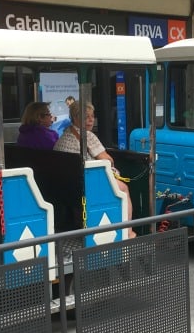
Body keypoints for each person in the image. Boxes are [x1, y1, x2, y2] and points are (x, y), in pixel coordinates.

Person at [54, 100, 136, 237]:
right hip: (86, 185)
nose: (91, 120)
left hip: (66, 187)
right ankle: (128, 231)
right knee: (123, 188)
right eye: (86, 117)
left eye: (92, 116)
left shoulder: (64, 135)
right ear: (75, 118)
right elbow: (108, 160)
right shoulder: (88, 136)